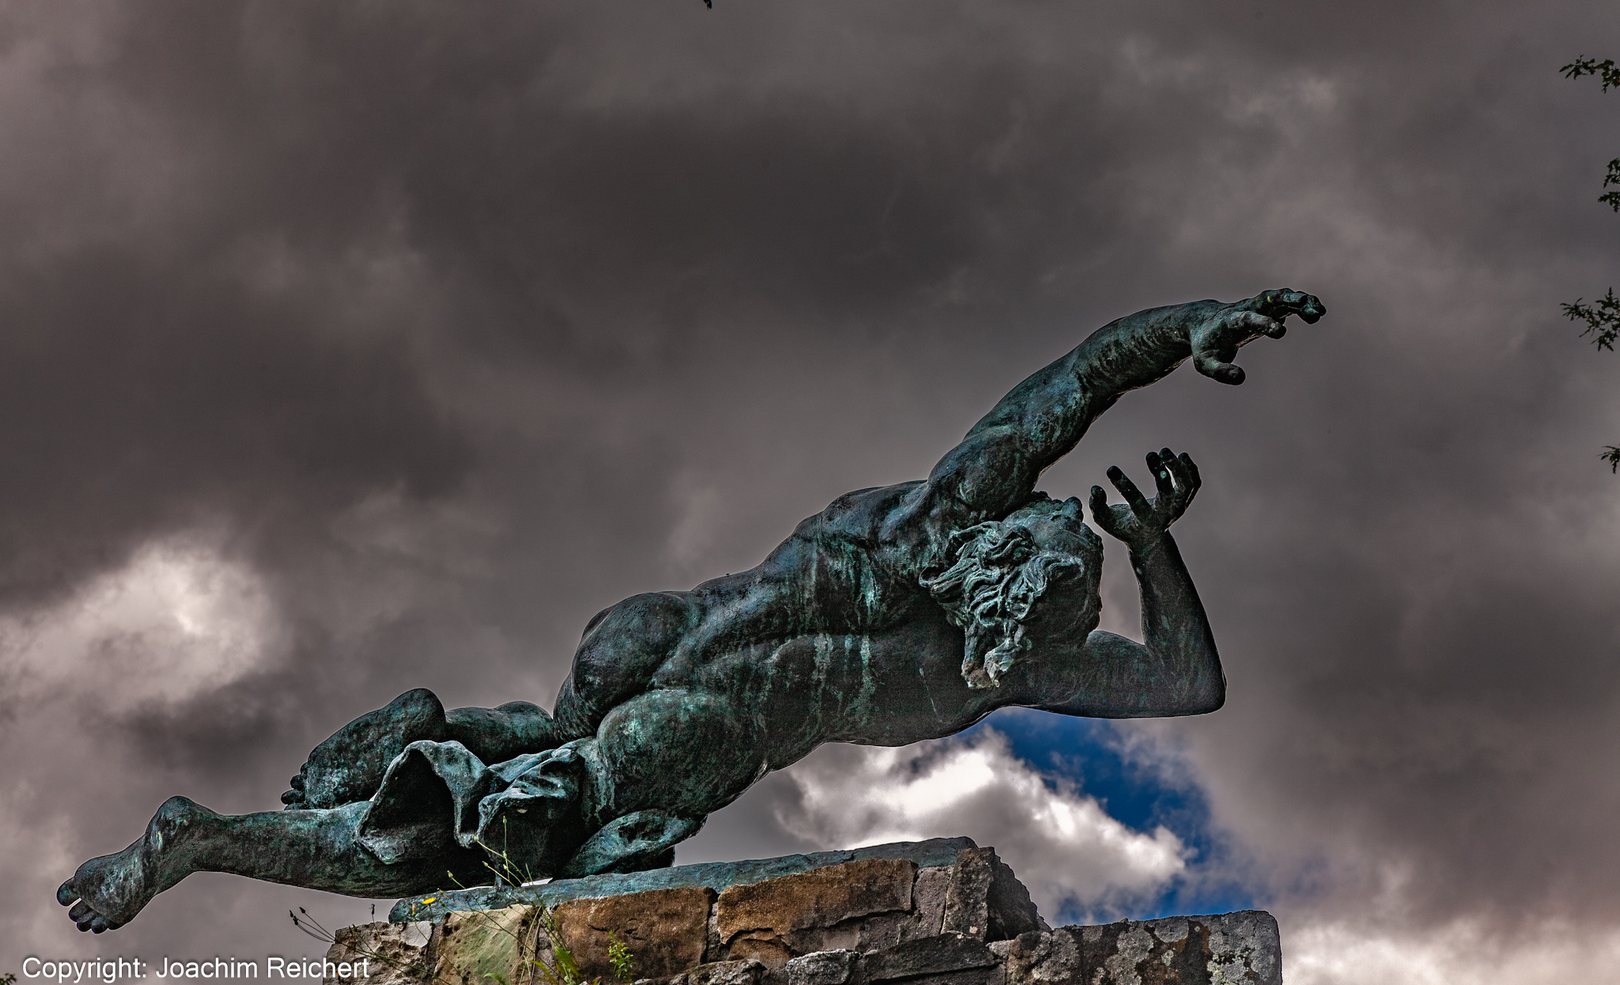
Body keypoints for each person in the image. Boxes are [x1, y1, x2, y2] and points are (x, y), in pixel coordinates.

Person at [57, 288, 1324, 933]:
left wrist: (1187, 332)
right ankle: (235, 829)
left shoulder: (942, 520)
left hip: (644, 638)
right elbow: (1178, 677)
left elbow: (1077, 385)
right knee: (464, 851)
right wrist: (1154, 552)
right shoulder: (990, 660)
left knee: (520, 754)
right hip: (681, 734)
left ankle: (391, 759)